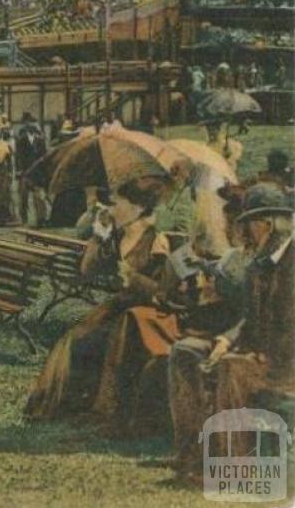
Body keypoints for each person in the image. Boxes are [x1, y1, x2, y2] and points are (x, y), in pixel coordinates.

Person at [168, 184, 293, 481]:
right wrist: (225, 340)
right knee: (185, 352)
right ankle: (192, 455)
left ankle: (236, 467)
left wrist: (253, 351)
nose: (244, 232)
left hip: (282, 362)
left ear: (267, 224)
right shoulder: (259, 264)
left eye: (248, 224)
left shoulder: (288, 264)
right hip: (258, 351)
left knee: (231, 369)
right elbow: (250, 318)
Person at [25, 179, 172, 421]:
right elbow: (86, 270)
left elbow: (163, 291)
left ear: (136, 208)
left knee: (93, 341)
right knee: (76, 339)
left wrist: (133, 279)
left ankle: (96, 407)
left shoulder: (157, 241)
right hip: (116, 309)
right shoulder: (116, 236)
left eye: (116, 204)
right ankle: (70, 405)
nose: (111, 210)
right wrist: (98, 237)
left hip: (140, 317)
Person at [15, 117, 48, 226]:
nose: (31, 126)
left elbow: (44, 157)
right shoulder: (21, 140)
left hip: (37, 173)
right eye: (28, 124)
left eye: (33, 124)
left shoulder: (41, 141)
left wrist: (44, 172)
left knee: (39, 197)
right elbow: (18, 157)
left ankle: (41, 219)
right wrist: (19, 170)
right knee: (23, 197)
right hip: (25, 172)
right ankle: (23, 219)